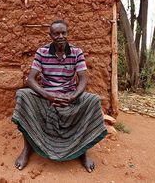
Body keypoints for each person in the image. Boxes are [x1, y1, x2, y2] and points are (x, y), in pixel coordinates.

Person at [12, 20, 107, 173]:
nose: (60, 36)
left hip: (70, 95)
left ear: (68, 34)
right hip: (46, 95)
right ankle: (27, 148)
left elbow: (83, 78)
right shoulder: (41, 52)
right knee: (22, 95)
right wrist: (48, 95)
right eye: (56, 33)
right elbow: (30, 79)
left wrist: (74, 96)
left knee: (94, 101)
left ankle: (83, 151)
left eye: (63, 33)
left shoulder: (76, 52)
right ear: (50, 35)